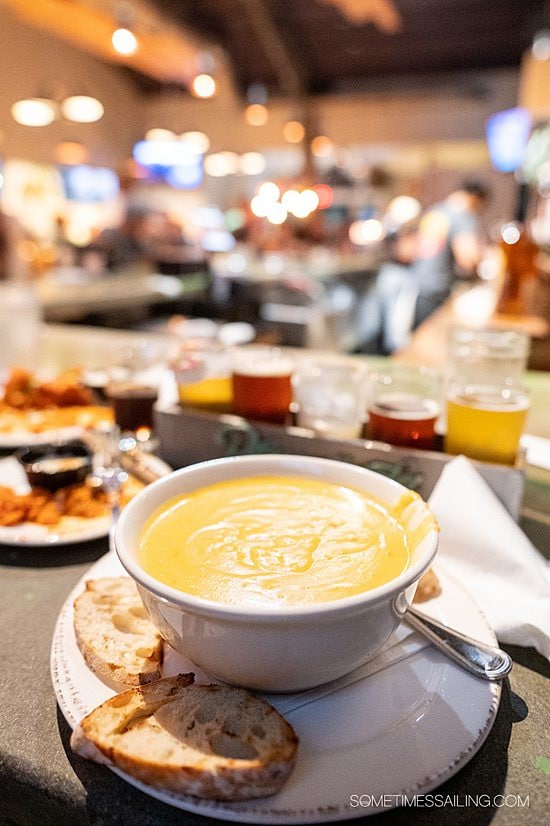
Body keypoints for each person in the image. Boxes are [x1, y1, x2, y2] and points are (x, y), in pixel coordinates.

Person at [411, 180, 490, 327]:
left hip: (421, 284)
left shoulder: (436, 211)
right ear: (475, 199)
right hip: (441, 289)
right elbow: (468, 260)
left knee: (420, 335)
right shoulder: (464, 216)